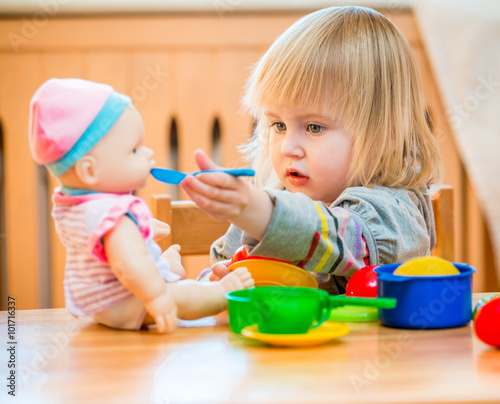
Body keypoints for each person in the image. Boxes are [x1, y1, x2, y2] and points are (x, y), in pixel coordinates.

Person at [181, 6, 444, 294]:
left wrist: (257, 210)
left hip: (373, 341)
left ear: (388, 135)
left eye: (314, 128)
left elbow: (341, 240)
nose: (287, 148)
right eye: (278, 125)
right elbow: (222, 265)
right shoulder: (276, 197)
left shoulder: (393, 212)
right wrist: (214, 284)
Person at [28, 78, 253, 333]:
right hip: (132, 301)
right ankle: (222, 292)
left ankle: (166, 267)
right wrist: (158, 298)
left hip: (102, 305)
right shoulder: (116, 216)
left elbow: (104, 245)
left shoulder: (72, 205)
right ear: (90, 170)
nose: (148, 154)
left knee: (162, 269)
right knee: (185, 294)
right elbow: (128, 265)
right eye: (134, 150)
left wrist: (140, 232)